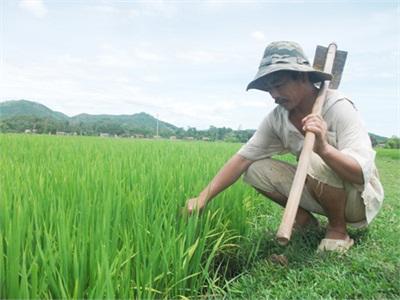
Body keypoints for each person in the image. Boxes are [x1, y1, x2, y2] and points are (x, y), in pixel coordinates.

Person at [185, 41, 384, 252]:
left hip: (357, 198)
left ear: (303, 77)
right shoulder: (277, 118)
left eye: (279, 85)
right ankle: (304, 220)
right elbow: (242, 158)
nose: (274, 95)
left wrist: (324, 148)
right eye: (269, 89)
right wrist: (203, 198)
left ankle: (337, 230)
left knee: (313, 157)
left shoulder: (338, 107)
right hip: (317, 191)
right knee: (254, 169)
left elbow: (360, 175)